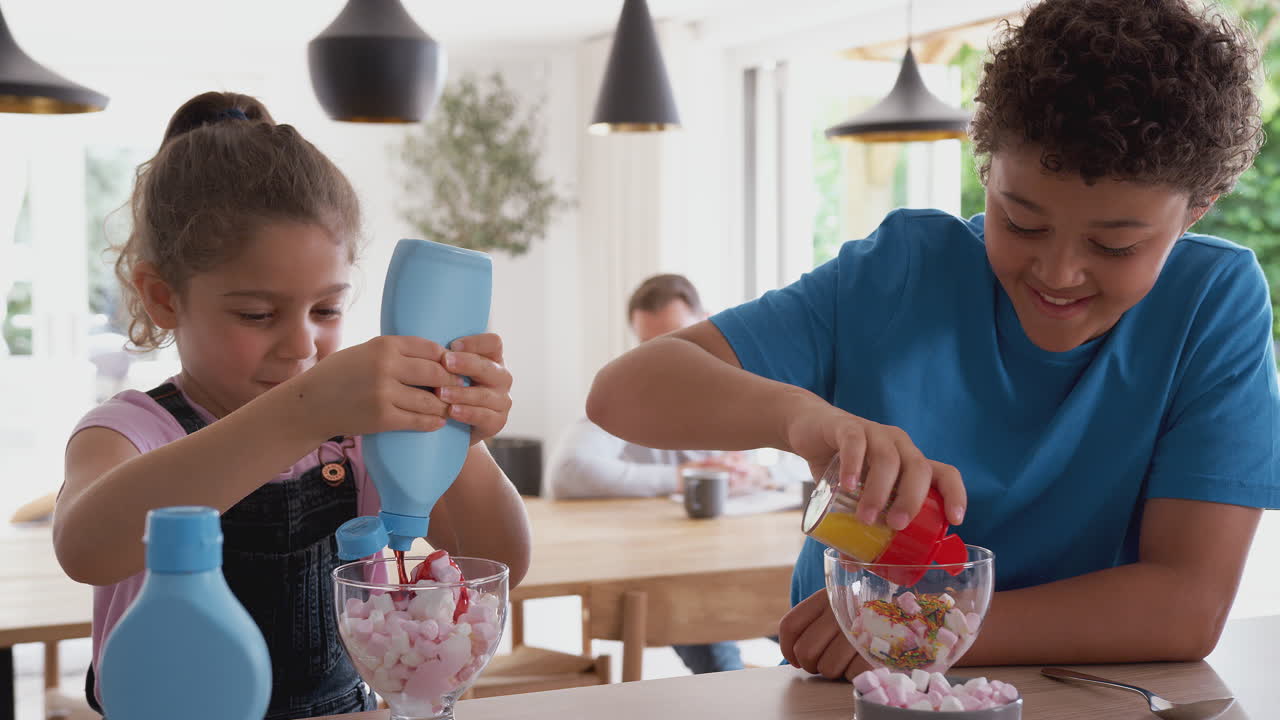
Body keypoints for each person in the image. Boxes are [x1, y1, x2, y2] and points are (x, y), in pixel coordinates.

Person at [586, 0, 1278, 681]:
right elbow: (623, 393)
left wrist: (918, 629)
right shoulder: (899, 272)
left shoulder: (1210, 302)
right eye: (1022, 222)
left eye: (1114, 244)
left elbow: (1186, 607)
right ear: (986, 171)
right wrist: (799, 418)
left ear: (1195, 211)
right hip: (857, 696)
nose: (1058, 272)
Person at [53, 92, 532, 718]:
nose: (302, 346)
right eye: (257, 314)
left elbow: (500, 561)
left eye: (327, 309)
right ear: (163, 297)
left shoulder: (360, 439)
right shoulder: (131, 430)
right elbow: (87, 548)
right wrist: (304, 411)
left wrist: (455, 434)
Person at [549, 274, 798, 674]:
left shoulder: (747, 380)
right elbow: (568, 471)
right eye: (649, 347)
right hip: (674, 573)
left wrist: (759, 474)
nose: (663, 358)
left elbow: (802, 461)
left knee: (806, 628)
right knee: (718, 657)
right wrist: (685, 477)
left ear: (707, 322)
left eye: (678, 340)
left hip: (747, 562)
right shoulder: (629, 394)